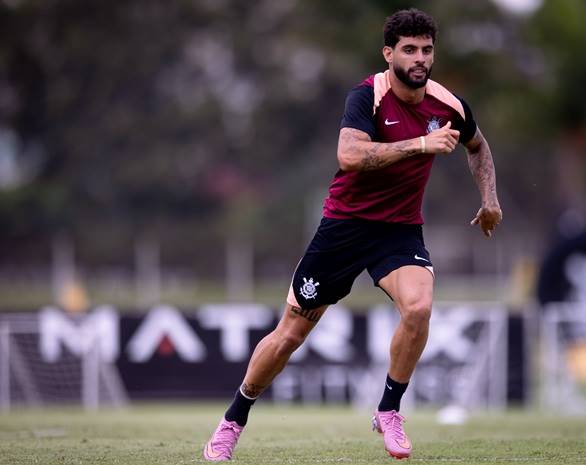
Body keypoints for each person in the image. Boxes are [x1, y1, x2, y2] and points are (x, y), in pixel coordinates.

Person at [203, 7, 502, 461]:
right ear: (389, 54)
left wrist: (490, 199)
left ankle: (389, 410)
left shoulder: (449, 105)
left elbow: (478, 147)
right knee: (289, 336)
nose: (420, 58)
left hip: (399, 231)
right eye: (409, 50)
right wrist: (420, 144)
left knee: (419, 308)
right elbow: (350, 155)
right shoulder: (367, 96)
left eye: (426, 50)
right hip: (344, 227)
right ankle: (232, 420)